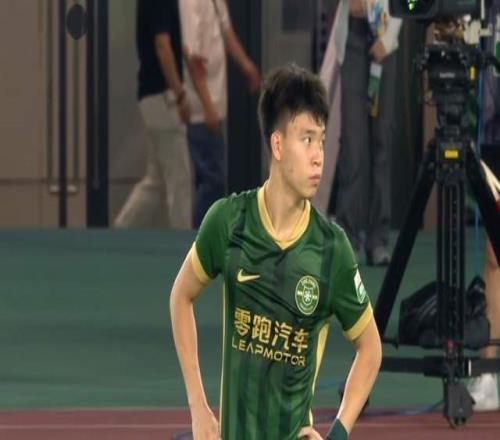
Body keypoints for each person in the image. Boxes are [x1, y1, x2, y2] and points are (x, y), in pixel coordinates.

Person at [170, 64, 382, 439]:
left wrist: (337, 434)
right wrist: (198, 407)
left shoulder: (331, 249)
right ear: (278, 145)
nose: (318, 156)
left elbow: (370, 348)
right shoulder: (228, 221)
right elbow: (180, 297)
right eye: (307, 139)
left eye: (321, 140)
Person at [320, 0, 402, 265]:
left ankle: (378, 241)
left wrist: (388, 39)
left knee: (382, 143)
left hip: (385, 35)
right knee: (352, 145)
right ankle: (349, 239)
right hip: (353, 37)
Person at [114, 0, 208, 229]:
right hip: (162, 97)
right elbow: (162, 45)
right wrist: (180, 94)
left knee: (155, 179)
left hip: (152, 96)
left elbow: (166, 41)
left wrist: (186, 55)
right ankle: (182, 240)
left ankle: (122, 228)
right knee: (180, 178)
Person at [179, 0, 260, 227]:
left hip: (214, 102)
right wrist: (207, 106)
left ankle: (207, 237)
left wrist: (246, 66)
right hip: (201, 107)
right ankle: (201, 238)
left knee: (213, 179)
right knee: (211, 181)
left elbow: (226, 30)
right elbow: (192, 56)